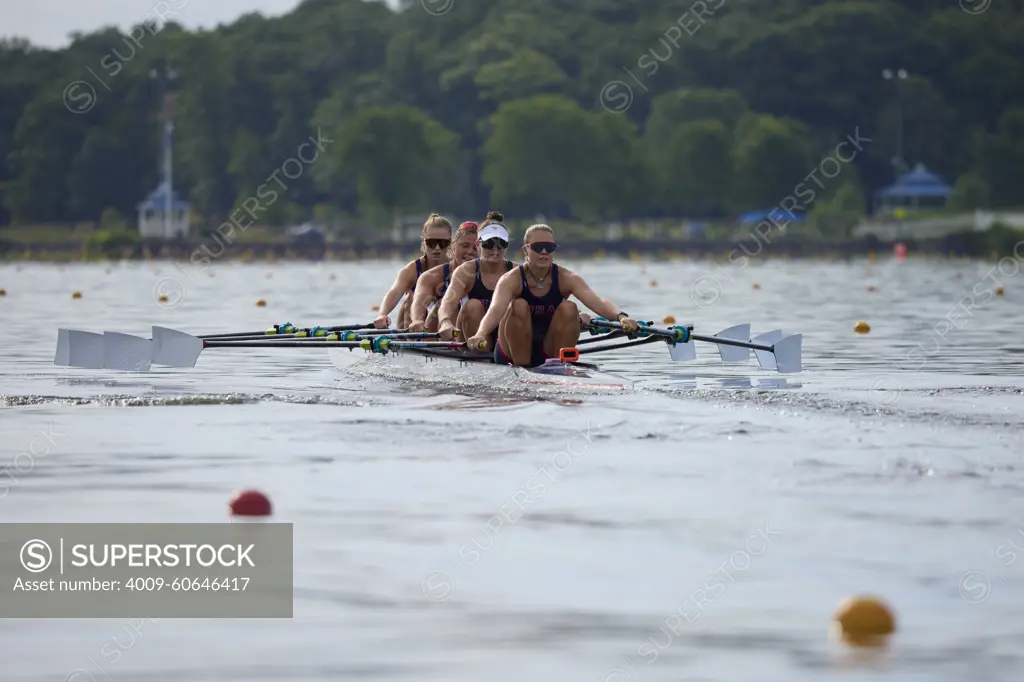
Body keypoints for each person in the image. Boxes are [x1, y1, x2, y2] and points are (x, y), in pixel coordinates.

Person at [465, 223, 639, 367]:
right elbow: (495, 310)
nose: (544, 252)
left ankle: (557, 366)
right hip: (511, 352)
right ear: (526, 251)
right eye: (538, 247)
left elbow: (597, 301)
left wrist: (621, 317)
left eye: (549, 248)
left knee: (569, 308)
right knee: (518, 305)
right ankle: (522, 368)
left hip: (548, 348)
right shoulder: (511, 279)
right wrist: (481, 333)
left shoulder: (567, 278)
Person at [437, 211, 516, 344]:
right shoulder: (466, 271)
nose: (495, 251)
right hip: (473, 333)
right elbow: (447, 303)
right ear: (478, 245)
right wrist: (445, 322)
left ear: (506, 247)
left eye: (501, 244)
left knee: (518, 306)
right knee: (472, 306)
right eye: (489, 244)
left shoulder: (516, 272)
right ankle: (480, 354)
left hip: (504, 336)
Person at [373, 213, 453, 329]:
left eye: (442, 243)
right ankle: (409, 341)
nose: (436, 248)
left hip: (444, 324)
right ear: (423, 241)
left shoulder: (457, 268)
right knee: (408, 300)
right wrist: (382, 314)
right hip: (415, 323)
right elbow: (395, 292)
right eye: (431, 242)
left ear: (450, 243)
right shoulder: (411, 270)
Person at [407, 221, 481, 333]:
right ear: (453, 246)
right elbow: (418, 302)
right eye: (465, 246)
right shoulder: (431, 277)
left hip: (475, 335)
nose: (470, 251)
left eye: (475, 248)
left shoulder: (494, 276)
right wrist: (417, 320)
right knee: (441, 304)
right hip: (439, 334)